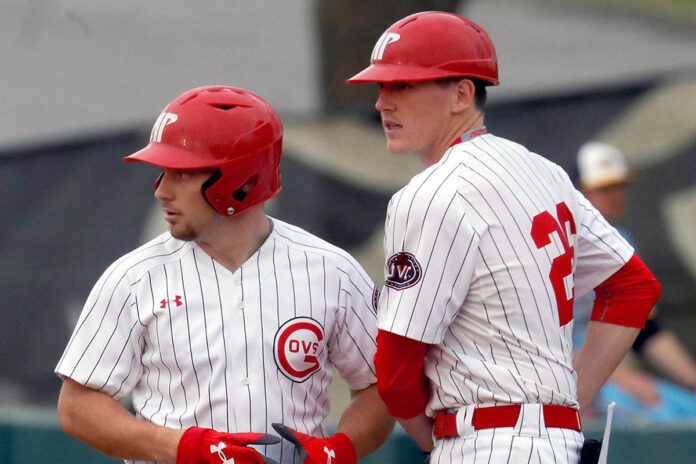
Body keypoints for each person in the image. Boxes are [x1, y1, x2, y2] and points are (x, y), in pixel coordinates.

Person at [346, 11, 662, 463]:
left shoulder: (430, 194)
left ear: (461, 93)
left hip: (485, 444)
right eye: (381, 87)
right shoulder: (545, 172)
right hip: (562, 446)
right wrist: (569, 400)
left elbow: (396, 373)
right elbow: (634, 286)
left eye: (402, 85)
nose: (382, 102)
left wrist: (428, 439)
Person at [55, 86, 394, 464]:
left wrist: (335, 451)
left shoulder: (333, 270)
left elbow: (380, 387)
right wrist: (187, 448)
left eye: (181, 173)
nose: (162, 191)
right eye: (162, 172)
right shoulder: (133, 278)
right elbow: (77, 406)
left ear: (243, 180)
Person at [574, 141, 696, 423]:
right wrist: (618, 377)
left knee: (686, 412)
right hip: (558, 375)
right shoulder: (557, 245)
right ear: (578, 192)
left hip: (603, 368)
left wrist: (693, 379)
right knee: (648, 417)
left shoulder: (621, 242)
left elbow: (644, 329)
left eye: (619, 186)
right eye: (604, 188)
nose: (616, 195)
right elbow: (541, 338)